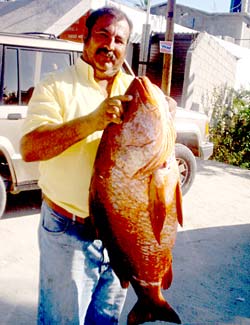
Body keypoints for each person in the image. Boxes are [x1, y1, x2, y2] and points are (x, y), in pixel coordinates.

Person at [20, 6, 177, 325]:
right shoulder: (55, 86)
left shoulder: (134, 88)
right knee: (61, 321)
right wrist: (93, 121)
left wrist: (167, 110)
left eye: (120, 39)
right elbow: (30, 148)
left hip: (121, 236)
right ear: (85, 39)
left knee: (104, 321)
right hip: (68, 229)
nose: (111, 45)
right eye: (103, 35)